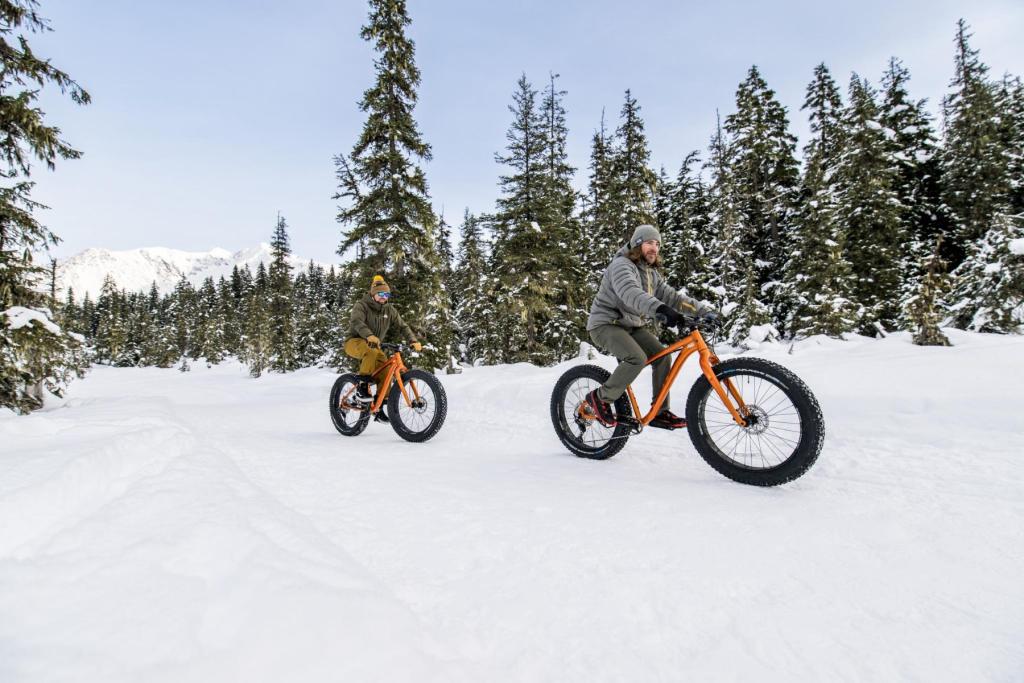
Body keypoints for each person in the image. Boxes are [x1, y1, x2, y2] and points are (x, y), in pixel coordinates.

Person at [585, 224, 715, 429]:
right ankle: (600, 397)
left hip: (631, 325)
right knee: (636, 358)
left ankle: (660, 413)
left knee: (663, 357)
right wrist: (660, 309)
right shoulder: (622, 265)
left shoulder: (650, 274)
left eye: (657, 244)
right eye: (649, 243)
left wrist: (703, 311)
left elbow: (673, 297)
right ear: (637, 244)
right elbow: (630, 293)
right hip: (605, 324)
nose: (654, 248)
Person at [344, 275, 423, 422]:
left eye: (386, 294)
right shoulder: (361, 305)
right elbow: (356, 321)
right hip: (354, 341)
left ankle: (378, 407)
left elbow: (402, 325)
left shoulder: (389, 310)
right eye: (380, 294)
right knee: (371, 351)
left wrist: (413, 340)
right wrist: (368, 335)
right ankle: (362, 387)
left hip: (374, 344)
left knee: (386, 370)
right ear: (373, 294)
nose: (383, 297)